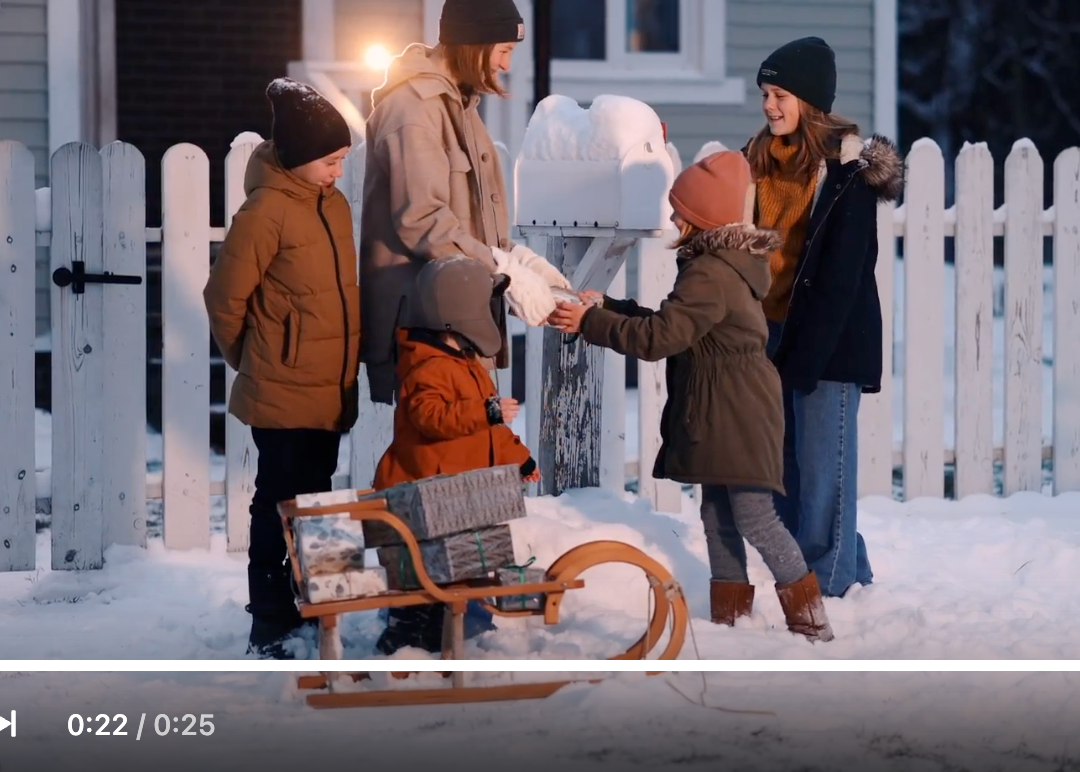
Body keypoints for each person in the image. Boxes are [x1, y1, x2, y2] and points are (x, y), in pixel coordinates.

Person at [549, 151, 834, 642]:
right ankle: (731, 619)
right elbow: (676, 323)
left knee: (753, 516)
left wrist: (590, 323)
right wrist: (611, 306)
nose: (674, 217)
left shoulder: (711, 272)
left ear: (703, 218)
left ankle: (810, 620)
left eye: (681, 209)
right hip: (724, 407)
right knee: (716, 513)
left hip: (737, 411)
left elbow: (662, 338)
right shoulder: (717, 265)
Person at [359, 0, 565, 408]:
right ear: (474, 44)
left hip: (455, 321)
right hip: (426, 328)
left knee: (472, 459)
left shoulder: (458, 106)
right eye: (504, 51)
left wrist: (518, 259)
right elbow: (422, 220)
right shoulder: (415, 111)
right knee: (446, 466)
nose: (508, 65)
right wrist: (500, 268)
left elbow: (468, 221)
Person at [203, 78, 359, 658]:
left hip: (329, 386)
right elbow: (224, 297)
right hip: (282, 387)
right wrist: (254, 359)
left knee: (318, 497)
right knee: (277, 500)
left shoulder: (333, 205)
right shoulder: (266, 210)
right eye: (330, 161)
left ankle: (321, 603)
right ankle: (269, 616)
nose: (338, 172)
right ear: (296, 158)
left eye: (343, 161)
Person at [746, 36, 904, 598]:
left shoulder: (847, 174)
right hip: (770, 332)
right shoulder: (758, 159)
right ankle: (831, 570)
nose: (769, 105)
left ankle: (831, 588)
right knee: (783, 472)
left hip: (828, 340)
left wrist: (807, 358)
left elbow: (844, 277)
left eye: (781, 94)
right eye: (765, 93)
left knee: (822, 475)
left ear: (811, 101)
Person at [372, 256, 540, 656]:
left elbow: (485, 431)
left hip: (454, 496)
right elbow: (430, 418)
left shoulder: (464, 363)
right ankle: (405, 643)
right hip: (424, 495)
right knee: (423, 579)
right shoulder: (426, 365)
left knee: (459, 572)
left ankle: (458, 638)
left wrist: (520, 458)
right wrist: (485, 411)